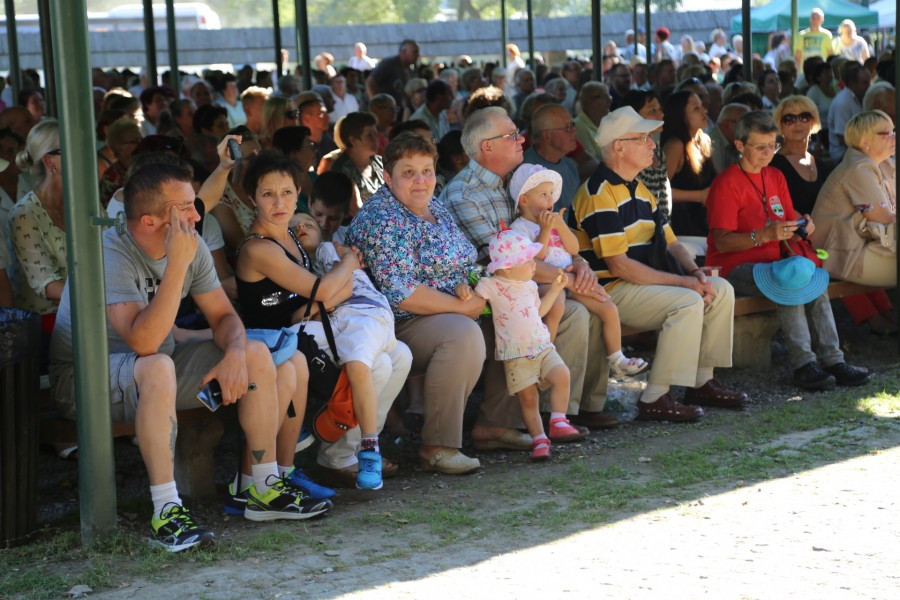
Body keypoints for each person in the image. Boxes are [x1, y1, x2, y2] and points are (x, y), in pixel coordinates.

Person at [51, 162, 333, 552]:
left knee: (254, 350)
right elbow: (143, 342)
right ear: (151, 221)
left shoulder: (189, 241)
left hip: (156, 366)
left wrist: (235, 351)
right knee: (157, 365)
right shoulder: (110, 252)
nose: (197, 215)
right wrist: (177, 264)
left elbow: (223, 316)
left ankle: (263, 487)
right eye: (185, 207)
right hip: (84, 380)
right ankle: (166, 510)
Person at [235, 152, 410, 490]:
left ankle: (355, 451)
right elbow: (323, 288)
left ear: (298, 191)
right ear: (251, 198)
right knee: (379, 366)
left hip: (308, 330)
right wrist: (348, 262)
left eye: (287, 193)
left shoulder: (290, 236)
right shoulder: (259, 248)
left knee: (400, 356)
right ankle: (339, 456)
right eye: (268, 194)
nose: (279, 202)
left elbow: (326, 296)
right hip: (279, 343)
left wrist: (328, 291)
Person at [442, 107, 617, 431]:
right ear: (487, 147)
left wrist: (577, 263)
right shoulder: (464, 193)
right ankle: (527, 419)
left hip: (527, 286)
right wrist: (571, 279)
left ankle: (561, 414)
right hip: (490, 292)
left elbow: (548, 238)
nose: (521, 139)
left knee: (583, 308)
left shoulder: (514, 182)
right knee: (574, 311)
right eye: (511, 135)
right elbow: (509, 262)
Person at [572, 106, 745, 420]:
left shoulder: (639, 188)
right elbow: (619, 267)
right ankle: (654, 397)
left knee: (719, 289)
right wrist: (685, 282)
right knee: (687, 301)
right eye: (642, 138)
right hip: (608, 291)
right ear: (619, 147)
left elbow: (672, 242)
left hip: (633, 285)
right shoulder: (599, 192)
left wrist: (695, 273)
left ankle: (701, 381)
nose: (653, 144)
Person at [349, 133, 486, 474]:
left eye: (426, 170)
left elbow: (464, 261)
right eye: (408, 172)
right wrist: (462, 307)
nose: (420, 180)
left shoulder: (433, 205)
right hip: (397, 322)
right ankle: (438, 445)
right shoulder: (384, 218)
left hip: (446, 307)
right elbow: (401, 291)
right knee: (462, 334)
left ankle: (500, 424)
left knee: (513, 316)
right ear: (388, 176)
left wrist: (473, 289)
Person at [705, 110, 869, 391]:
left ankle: (832, 361)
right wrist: (763, 235)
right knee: (789, 278)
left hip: (774, 261)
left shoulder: (775, 175)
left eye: (773, 145)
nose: (769, 153)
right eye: (761, 147)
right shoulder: (726, 184)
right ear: (740, 146)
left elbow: (787, 215)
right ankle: (804, 364)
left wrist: (803, 222)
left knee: (810, 277)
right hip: (734, 268)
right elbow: (722, 242)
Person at [509, 163, 647, 376]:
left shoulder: (555, 222)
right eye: (543, 195)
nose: (549, 200)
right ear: (524, 200)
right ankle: (545, 355)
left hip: (572, 280)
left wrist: (561, 227)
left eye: (551, 195)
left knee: (607, 306)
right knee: (556, 306)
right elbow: (538, 257)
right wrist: (545, 231)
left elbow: (573, 248)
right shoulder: (520, 228)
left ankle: (617, 358)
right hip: (546, 283)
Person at [459, 229, 583, 460]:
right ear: (506, 267)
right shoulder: (491, 285)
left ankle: (558, 419)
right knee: (528, 399)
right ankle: (539, 439)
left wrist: (556, 289)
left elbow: (538, 312)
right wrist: (462, 290)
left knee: (562, 374)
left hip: (542, 346)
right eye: (526, 261)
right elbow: (475, 299)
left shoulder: (530, 285)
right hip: (515, 353)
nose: (533, 265)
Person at [810, 110, 897, 332]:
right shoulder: (858, 167)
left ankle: (886, 319)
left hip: (860, 246)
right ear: (865, 141)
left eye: (893, 131)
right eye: (886, 133)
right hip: (837, 254)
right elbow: (885, 217)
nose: (893, 137)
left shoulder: (884, 163)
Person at [10, 120, 67, 323]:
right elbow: (47, 285)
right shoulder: (24, 214)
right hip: (46, 323)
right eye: (71, 148)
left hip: (94, 311)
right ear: (50, 161)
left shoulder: (86, 203)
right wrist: (103, 299)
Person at [662, 90, 715, 247]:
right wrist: (700, 196)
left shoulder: (703, 141)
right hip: (682, 227)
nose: (704, 111)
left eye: (702, 106)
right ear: (681, 116)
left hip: (703, 223)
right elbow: (660, 191)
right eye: (696, 109)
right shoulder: (675, 146)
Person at [771, 96, 826, 217]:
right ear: (781, 125)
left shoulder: (820, 164)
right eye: (789, 119)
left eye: (804, 117)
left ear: (813, 121)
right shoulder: (774, 165)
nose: (798, 123)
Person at [623, 90, 672, 220]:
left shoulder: (658, 151)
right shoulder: (630, 154)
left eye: (659, 110)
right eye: (652, 111)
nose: (661, 114)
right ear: (633, 117)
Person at [523, 104, 580, 210]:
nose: (574, 131)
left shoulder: (570, 165)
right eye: (567, 127)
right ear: (548, 136)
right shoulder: (528, 172)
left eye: (573, 125)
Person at [328, 111, 384, 205]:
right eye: (369, 135)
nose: (376, 138)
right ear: (353, 140)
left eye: (375, 133)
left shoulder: (381, 162)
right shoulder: (341, 170)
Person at [828, 62, 870, 162]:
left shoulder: (864, 97)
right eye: (865, 82)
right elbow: (842, 137)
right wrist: (867, 150)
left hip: (859, 151)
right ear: (852, 84)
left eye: (869, 81)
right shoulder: (842, 102)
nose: (869, 85)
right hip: (842, 155)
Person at [272, 125, 317, 213]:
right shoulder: (283, 193)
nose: (314, 150)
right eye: (309, 145)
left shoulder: (317, 179)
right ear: (294, 153)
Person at [98, 119, 143, 208]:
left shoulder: (143, 169)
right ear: (120, 148)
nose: (141, 144)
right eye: (135, 141)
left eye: (142, 140)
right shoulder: (111, 178)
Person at [366, 39, 419, 106]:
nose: (417, 55)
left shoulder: (409, 69)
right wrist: (376, 105)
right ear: (403, 51)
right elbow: (370, 82)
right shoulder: (389, 64)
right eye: (415, 52)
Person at [708, 102, 751, 174]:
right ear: (726, 125)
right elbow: (718, 178)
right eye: (745, 125)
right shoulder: (711, 141)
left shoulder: (733, 142)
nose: (749, 130)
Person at [574, 82, 612, 160]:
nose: (609, 100)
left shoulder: (606, 123)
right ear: (589, 101)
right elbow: (592, 161)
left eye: (609, 96)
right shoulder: (577, 126)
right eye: (604, 96)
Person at [806, 61, 836, 146]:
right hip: (822, 132)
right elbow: (809, 114)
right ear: (818, 77)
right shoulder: (813, 92)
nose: (830, 74)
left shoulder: (835, 87)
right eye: (826, 73)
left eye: (831, 71)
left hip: (835, 128)